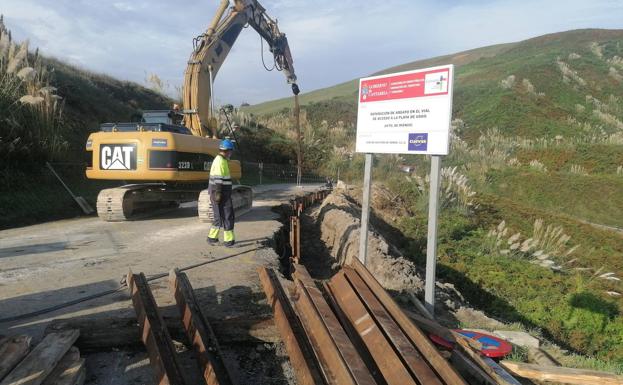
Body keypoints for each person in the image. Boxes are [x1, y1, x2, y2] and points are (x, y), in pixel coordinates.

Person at [207, 139, 236, 247]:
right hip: (219, 193)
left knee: (223, 216)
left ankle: (213, 238)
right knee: (225, 216)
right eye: (231, 151)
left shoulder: (222, 160)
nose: (231, 153)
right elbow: (218, 179)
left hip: (221, 193)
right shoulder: (220, 161)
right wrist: (218, 193)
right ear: (227, 151)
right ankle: (227, 241)